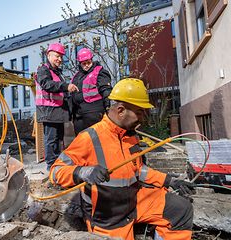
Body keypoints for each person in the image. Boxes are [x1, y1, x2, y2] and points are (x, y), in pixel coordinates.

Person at [49, 78, 194, 240]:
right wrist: (83, 171)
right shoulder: (89, 137)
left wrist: (168, 181)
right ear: (120, 110)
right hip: (108, 216)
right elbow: (55, 172)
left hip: (135, 202)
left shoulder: (130, 136)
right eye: (139, 112)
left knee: (181, 209)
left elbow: (139, 170)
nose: (143, 118)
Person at [35, 43, 78, 171]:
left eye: (61, 57)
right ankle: (51, 167)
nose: (59, 59)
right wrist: (65, 86)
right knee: (51, 140)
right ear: (48, 55)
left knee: (59, 140)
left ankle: (57, 165)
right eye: (56, 56)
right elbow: (47, 84)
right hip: (49, 111)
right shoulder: (43, 70)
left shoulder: (57, 73)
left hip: (57, 111)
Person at [71, 48, 112, 135]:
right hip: (79, 116)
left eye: (88, 62)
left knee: (96, 140)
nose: (86, 65)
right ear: (80, 63)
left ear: (92, 60)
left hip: (94, 113)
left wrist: (108, 106)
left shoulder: (99, 72)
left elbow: (105, 89)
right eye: (84, 63)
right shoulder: (76, 76)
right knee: (81, 141)